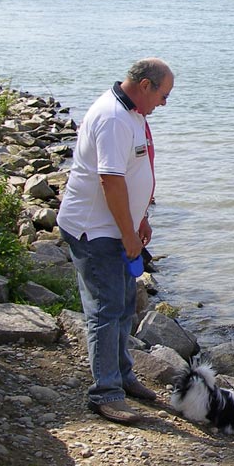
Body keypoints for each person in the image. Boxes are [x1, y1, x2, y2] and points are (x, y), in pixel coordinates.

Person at [57, 58, 174, 425]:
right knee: (106, 310)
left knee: (125, 304)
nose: (164, 103)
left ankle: (122, 376)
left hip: (117, 226)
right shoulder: (112, 117)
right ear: (144, 85)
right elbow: (111, 180)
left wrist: (140, 219)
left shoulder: (134, 112)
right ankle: (105, 393)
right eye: (163, 94)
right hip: (95, 230)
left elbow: (134, 171)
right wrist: (127, 234)